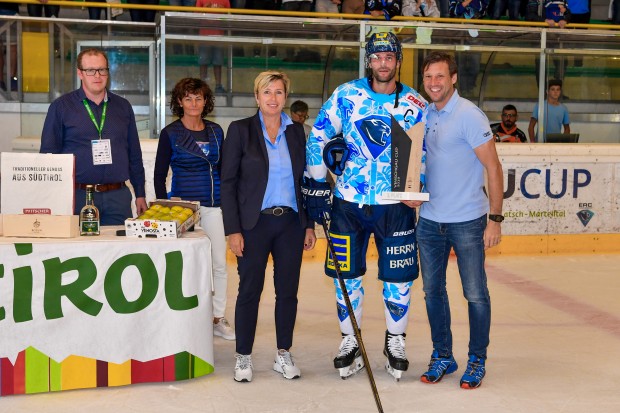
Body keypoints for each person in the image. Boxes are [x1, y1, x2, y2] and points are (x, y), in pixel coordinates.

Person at [303, 32, 428, 381]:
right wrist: (316, 182)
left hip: (395, 205)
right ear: (369, 61)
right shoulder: (347, 95)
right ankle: (350, 341)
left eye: (389, 57)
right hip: (349, 203)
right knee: (347, 277)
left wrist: (419, 186)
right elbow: (319, 135)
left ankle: (395, 340)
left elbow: (425, 152)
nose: (383, 63)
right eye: (376, 57)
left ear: (398, 60)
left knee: (398, 278)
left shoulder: (415, 103)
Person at [221, 71, 317, 383]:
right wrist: (233, 229)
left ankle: (283, 353)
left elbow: (306, 181)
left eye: (278, 92)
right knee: (249, 290)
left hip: (290, 222)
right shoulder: (240, 130)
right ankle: (243, 356)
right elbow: (228, 183)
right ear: (257, 97)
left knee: (288, 292)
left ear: (285, 97)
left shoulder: (296, 132)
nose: (273, 98)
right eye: (267, 92)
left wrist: (308, 225)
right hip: (253, 224)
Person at [416, 50, 503, 390]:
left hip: (467, 220)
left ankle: (477, 360)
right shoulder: (423, 112)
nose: (433, 83)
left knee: (475, 293)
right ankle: (443, 355)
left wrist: (494, 219)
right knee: (432, 292)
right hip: (429, 221)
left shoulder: (469, 115)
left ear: (453, 78)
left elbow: (493, 167)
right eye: (428, 78)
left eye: (439, 76)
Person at [153, 78, 235, 341]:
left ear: (205, 101)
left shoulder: (216, 131)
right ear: (179, 102)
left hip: (212, 207)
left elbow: (224, 170)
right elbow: (158, 176)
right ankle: (185, 316)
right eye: (188, 98)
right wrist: (167, 210)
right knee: (186, 266)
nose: (194, 103)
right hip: (183, 210)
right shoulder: (170, 134)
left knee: (219, 264)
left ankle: (218, 317)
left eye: (198, 98)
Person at [40, 48, 147, 225]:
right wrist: (53, 198)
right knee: (79, 250)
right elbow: (49, 156)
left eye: (102, 70)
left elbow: (134, 154)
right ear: (80, 73)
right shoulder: (61, 107)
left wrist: (140, 193)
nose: (97, 75)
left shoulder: (123, 107)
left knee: (118, 249)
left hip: (117, 198)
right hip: (78, 197)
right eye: (90, 70)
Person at [196, 0, 229, 93]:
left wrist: (223, 11)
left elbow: (228, 18)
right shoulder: (201, 0)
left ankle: (218, 86)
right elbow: (195, 16)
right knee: (203, 61)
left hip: (219, 36)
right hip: (204, 35)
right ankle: (202, 86)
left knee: (218, 62)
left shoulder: (225, 1)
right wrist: (205, 9)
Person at [0, 2, 18, 92]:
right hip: (10, 11)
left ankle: (12, 80)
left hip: (11, 11)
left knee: (13, 47)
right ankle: (0, 81)